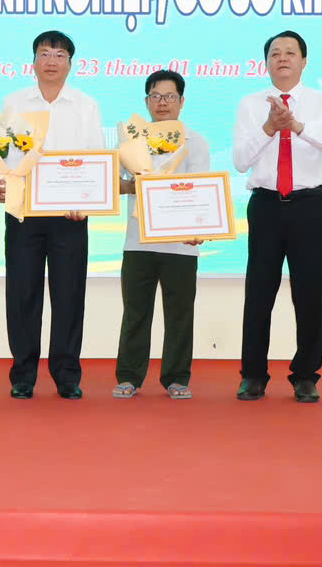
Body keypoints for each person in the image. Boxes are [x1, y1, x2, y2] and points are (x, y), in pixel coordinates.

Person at [232, 30, 322, 403]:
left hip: (310, 206)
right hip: (266, 205)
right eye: (275, 53)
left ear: (304, 61)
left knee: (308, 291)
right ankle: (253, 375)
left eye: (290, 52)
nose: (282, 58)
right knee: (259, 292)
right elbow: (240, 161)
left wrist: (297, 126)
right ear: (266, 62)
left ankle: (305, 376)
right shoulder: (250, 104)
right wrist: (270, 128)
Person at [0, 30, 104, 400]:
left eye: (59, 55)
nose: (51, 61)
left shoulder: (86, 105)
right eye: (44, 53)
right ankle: (23, 375)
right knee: (22, 294)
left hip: (70, 216)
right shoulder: (13, 102)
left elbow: (96, 158)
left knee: (69, 295)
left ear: (70, 63)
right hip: (22, 212)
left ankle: (67, 375)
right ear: (33, 61)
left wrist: (86, 202)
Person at [113, 70, 210, 400]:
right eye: (156, 96)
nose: (162, 103)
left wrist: (199, 228)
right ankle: (129, 376)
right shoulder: (131, 141)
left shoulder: (196, 141)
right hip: (137, 242)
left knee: (180, 315)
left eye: (170, 96)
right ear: (147, 102)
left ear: (181, 101)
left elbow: (200, 191)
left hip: (181, 245)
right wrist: (137, 185)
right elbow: (116, 184)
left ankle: (176, 378)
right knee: (135, 312)